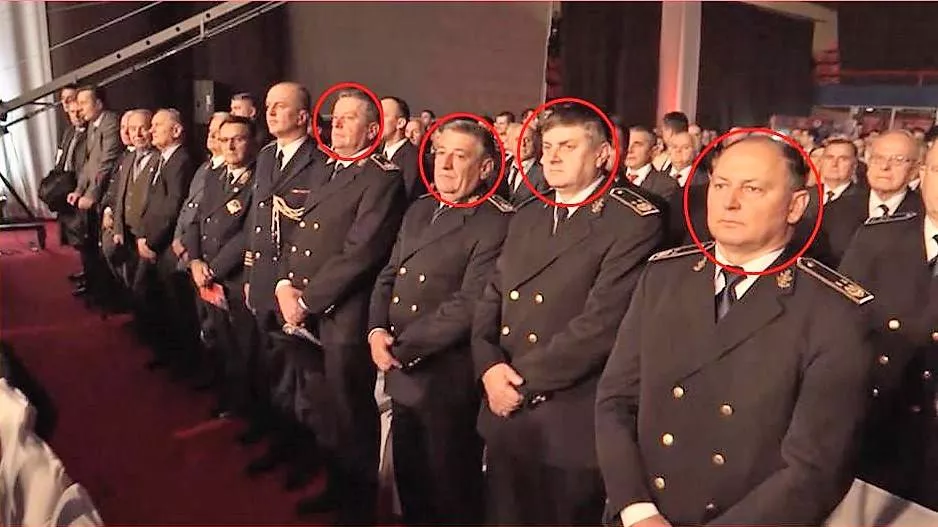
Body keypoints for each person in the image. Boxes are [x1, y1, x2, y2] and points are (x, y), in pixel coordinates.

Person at [596, 136, 873, 527]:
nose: (730, 202)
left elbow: (814, 469)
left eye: (752, 189)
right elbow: (615, 401)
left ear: (795, 206)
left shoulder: (832, 311)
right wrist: (637, 509)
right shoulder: (663, 276)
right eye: (721, 185)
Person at [473, 103, 664, 525]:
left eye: (568, 146)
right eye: (547, 147)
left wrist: (517, 383)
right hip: (505, 409)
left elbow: (601, 325)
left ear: (602, 155)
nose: (552, 157)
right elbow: (492, 296)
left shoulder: (632, 221)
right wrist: (487, 366)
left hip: (565, 418)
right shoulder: (529, 212)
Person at [272, 87, 408, 523]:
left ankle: (358, 507)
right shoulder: (326, 169)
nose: (337, 123)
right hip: (306, 311)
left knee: (351, 415)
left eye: (350, 117)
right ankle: (335, 487)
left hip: (344, 316)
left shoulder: (382, 178)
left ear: (372, 130)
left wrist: (308, 300)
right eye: (336, 116)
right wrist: (285, 284)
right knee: (324, 410)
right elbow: (297, 231)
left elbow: (360, 252)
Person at [368, 119, 513, 525]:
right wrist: (376, 330)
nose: (444, 165)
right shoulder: (420, 209)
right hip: (400, 367)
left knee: (450, 489)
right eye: (440, 153)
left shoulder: (497, 220)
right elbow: (388, 274)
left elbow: (470, 303)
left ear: (486, 169)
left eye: (459, 156)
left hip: (445, 377)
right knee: (411, 480)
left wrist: (402, 347)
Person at [838, 141, 938, 510]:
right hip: (874, 427)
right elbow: (839, 327)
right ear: (922, 175)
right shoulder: (877, 237)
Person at [183, 116, 258, 420]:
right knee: (222, 342)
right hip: (207, 273)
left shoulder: (259, 180)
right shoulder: (216, 175)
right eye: (224, 139)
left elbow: (248, 233)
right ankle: (230, 398)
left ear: (252, 142)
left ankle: (251, 410)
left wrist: (212, 268)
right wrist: (195, 260)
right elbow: (197, 220)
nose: (230, 145)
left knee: (245, 349)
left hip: (235, 277)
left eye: (238, 139)